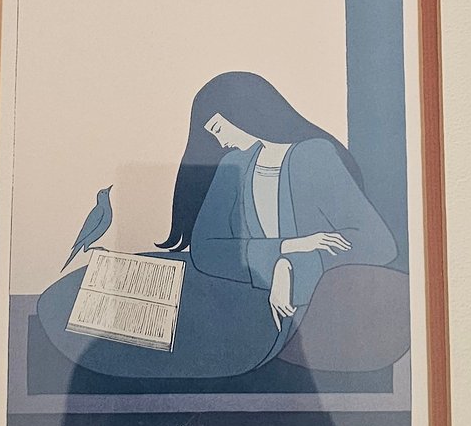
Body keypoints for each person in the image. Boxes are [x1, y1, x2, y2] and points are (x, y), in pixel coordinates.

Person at [32, 71, 400, 382]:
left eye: (220, 128)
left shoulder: (314, 156)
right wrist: (282, 252)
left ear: (247, 114)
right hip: (218, 277)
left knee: (140, 328)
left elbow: (376, 243)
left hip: (264, 309)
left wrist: (293, 267)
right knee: (83, 291)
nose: (220, 140)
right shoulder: (234, 164)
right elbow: (206, 248)